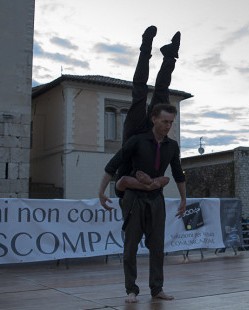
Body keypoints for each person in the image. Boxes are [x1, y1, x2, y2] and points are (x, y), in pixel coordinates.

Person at [98, 27, 185, 303]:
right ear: (157, 121)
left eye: (171, 122)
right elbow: (115, 167)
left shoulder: (168, 141)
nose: (169, 126)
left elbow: (177, 172)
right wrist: (102, 191)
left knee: (162, 91)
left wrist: (179, 194)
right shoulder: (137, 141)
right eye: (166, 122)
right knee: (139, 92)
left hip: (152, 190)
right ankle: (145, 48)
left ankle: (170, 56)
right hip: (135, 148)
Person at [98, 25, 180, 210]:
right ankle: (170, 55)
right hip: (152, 136)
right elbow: (167, 178)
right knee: (160, 92)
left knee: (139, 92)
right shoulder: (140, 192)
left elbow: (113, 168)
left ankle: (146, 47)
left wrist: (102, 191)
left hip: (133, 135)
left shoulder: (122, 189)